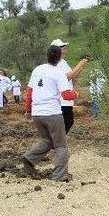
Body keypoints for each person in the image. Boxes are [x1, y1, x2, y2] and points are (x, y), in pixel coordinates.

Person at [23, 39, 77, 182]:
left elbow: (29, 92)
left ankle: (29, 158)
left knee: (47, 140)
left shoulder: (37, 70)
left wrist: (28, 110)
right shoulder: (58, 73)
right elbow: (66, 94)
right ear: (59, 57)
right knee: (61, 145)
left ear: (47, 56)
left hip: (37, 113)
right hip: (52, 113)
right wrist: (76, 94)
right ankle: (59, 175)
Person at [54, 39, 89, 134]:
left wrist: (82, 66)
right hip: (62, 99)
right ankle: (56, 141)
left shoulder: (63, 62)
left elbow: (73, 76)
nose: (65, 49)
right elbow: (68, 77)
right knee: (67, 121)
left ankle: (56, 141)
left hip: (67, 99)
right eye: (62, 47)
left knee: (68, 121)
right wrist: (80, 64)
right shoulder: (57, 63)